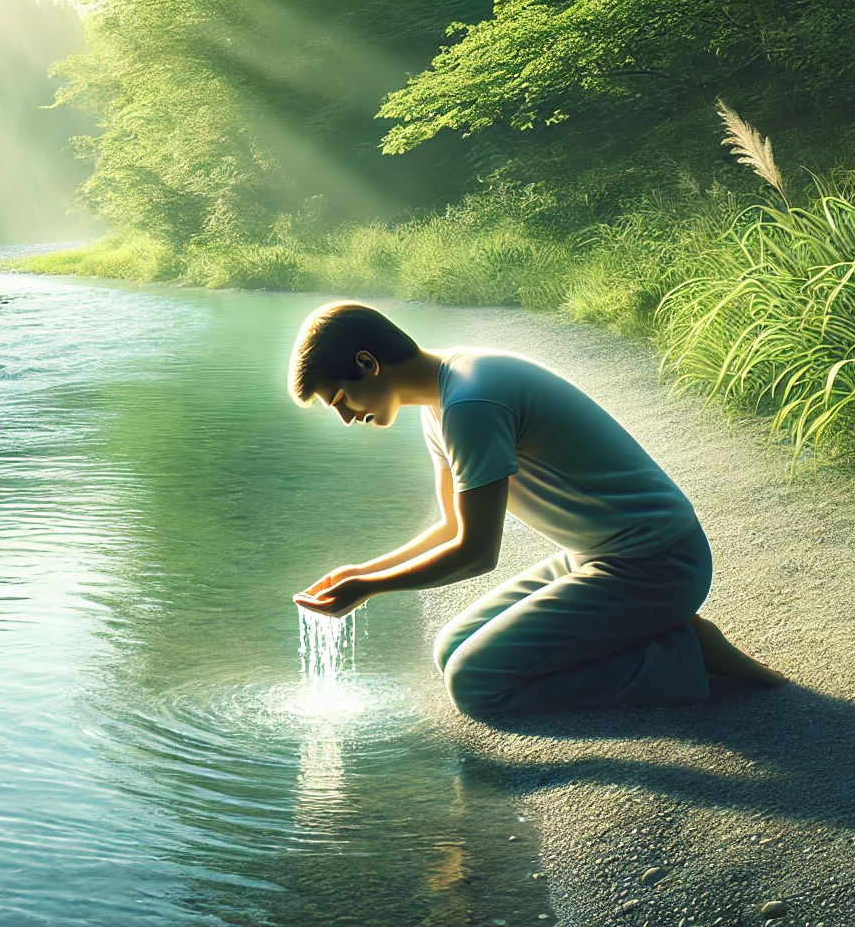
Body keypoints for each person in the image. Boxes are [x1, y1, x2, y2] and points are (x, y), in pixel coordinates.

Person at [288, 300, 785, 718]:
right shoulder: (444, 400)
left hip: (656, 562)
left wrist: (370, 589)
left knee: (476, 685)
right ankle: (658, 630)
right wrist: (362, 571)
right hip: (596, 555)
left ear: (369, 363)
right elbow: (450, 527)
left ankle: (679, 657)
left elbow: (477, 552)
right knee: (449, 649)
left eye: (340, 399)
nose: (346, 418)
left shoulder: (470, 406)